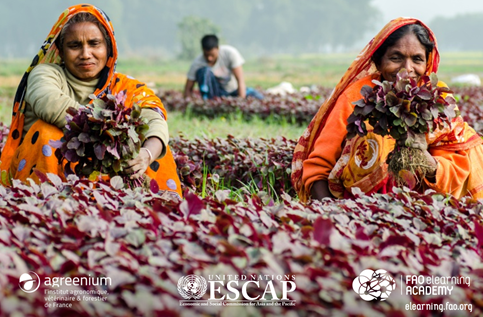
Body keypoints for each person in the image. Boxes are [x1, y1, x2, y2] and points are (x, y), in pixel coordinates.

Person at [291, 17, 483, 202]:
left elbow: (457, 169)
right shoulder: (355, 98)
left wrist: (424, 159)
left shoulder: (438, 101)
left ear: (427, 63)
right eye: (396, 57)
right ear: (379, 61)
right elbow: (318, 167)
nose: (407, 69)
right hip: (359, 210)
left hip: (425, 212)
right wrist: (332, 214)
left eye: (417, 59)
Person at [0, 4, 182, 198]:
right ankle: (42, 203)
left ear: (109, 47)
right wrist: (110, 133)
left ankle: (160, 208)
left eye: (94, 44)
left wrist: (146, 154)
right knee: (46, 132)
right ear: (60, 51)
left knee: (154, 147)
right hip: (50, 174)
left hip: (108, 181)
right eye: (74, 45)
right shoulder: (46, 74)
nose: (86, 54)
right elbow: (49, 102)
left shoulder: (125, 87)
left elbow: (154, 119)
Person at [183, 34, 263, 100]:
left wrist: (240, 100)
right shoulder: (197, 63)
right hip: (215, 95)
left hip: (233, 90)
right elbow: (188, 89)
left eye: (212, 55)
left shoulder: (230, 53)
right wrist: (189, 103)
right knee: (204, 71)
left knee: (258, 97)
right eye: (206, 55)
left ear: (218, 48)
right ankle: (208, 101)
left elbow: (240, 80)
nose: (209, 58)